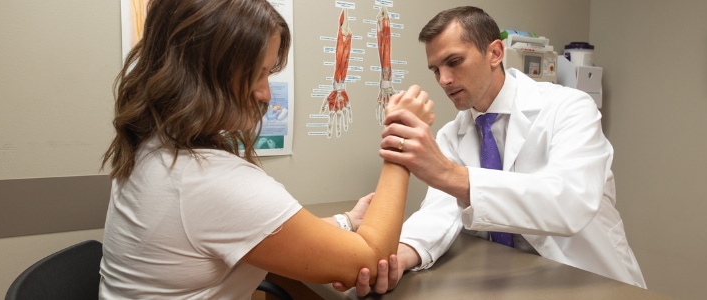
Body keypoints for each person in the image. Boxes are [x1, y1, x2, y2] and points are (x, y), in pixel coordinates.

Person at [98, 0, 434, 298]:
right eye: (258, 74)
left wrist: (347, 221)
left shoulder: (153, 149)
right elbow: (372, 260)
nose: (266, 94)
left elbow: (257, 234)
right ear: (206, 71)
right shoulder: (206, 180)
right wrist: (402, 139)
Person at [337, 6, 647, 295]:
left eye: (454, 62)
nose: (444, 80)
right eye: (435, 70)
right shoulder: (451, 135)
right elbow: (439, 213)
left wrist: (449, 174)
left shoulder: (570, 108)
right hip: (517, 282)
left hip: (593, 279)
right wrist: (401, 256)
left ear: (495, 53)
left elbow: (570, 202)